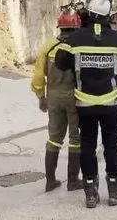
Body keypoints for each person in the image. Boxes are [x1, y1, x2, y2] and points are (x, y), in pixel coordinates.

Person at [54, 0, 117, 208]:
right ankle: (114, 191)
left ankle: (90, 193)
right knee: (111, 144)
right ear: (108, 16)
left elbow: (60, 63)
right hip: (111, 104)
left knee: (87, 145)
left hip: (84, 104)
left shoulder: (74, 39)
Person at [31, 11, 83, 193]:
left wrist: (41, 96)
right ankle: (73, 180)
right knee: (76, 139)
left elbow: (38, 75)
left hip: (53, 97)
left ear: (60, 27)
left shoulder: (48, 46)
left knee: (54, 138)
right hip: (75, 98)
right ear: (77, 27)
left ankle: (50, 180)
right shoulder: (79, 45)